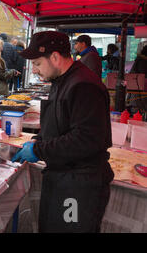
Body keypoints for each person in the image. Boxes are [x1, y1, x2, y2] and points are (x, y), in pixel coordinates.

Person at [12, 31, 114, 233]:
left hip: (79, 185)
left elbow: (85, 139)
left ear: (55, 57)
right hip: (61, 177)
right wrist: (38, 140)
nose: (35, 70)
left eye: (38, 64)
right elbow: (60, 124)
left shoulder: (84, 85)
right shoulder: (60, 80)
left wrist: (39, 150)